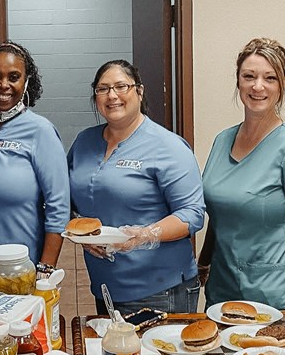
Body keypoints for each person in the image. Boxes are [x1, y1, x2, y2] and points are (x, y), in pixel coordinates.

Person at [198, 38, 285, 311]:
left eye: (270, 78)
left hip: (274, 292)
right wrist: (203, 262)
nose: (258, 86)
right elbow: (220, 211)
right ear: (238, 82)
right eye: (249, 76)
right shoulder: (223, 141)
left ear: (281, 85)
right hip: (223, 287)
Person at [68, 59, 205, 317]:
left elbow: (192, 214)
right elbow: (67, 199)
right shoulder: (84, 142)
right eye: (103, 89)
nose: (112, 95)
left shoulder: (168, 147)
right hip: (105, 289)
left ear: (139, 92)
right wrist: (81, 233)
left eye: (121, 86)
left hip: (160, 292)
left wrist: (145, 235)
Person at [0, 41, 69, 297]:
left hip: (21, 272)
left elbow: (58, 205)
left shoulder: (40, 131)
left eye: (14, 77)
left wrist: (46, 269)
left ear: (26, 82)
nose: (3, 85)